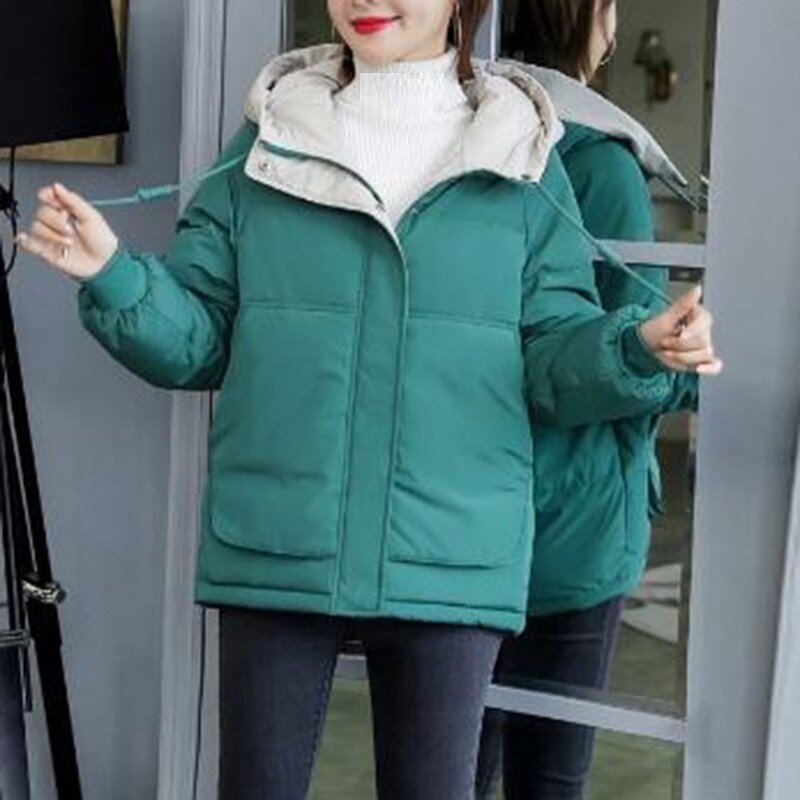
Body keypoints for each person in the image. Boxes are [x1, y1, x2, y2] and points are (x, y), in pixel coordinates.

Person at [15, 1, 719, 798]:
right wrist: (114, 275)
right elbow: (200, 338)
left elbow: (550, 359)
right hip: (280, 540)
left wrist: (635, 346)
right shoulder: (270, 138)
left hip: (450, 551)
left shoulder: (521, 152)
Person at [475, 1, 704, 798]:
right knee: (547, 777)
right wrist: (707, 357)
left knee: (448, 766)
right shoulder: (601, 164)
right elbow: (629, 355)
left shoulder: (461, 130)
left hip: (458, 515)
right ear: (593, 17)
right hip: (572, 524)